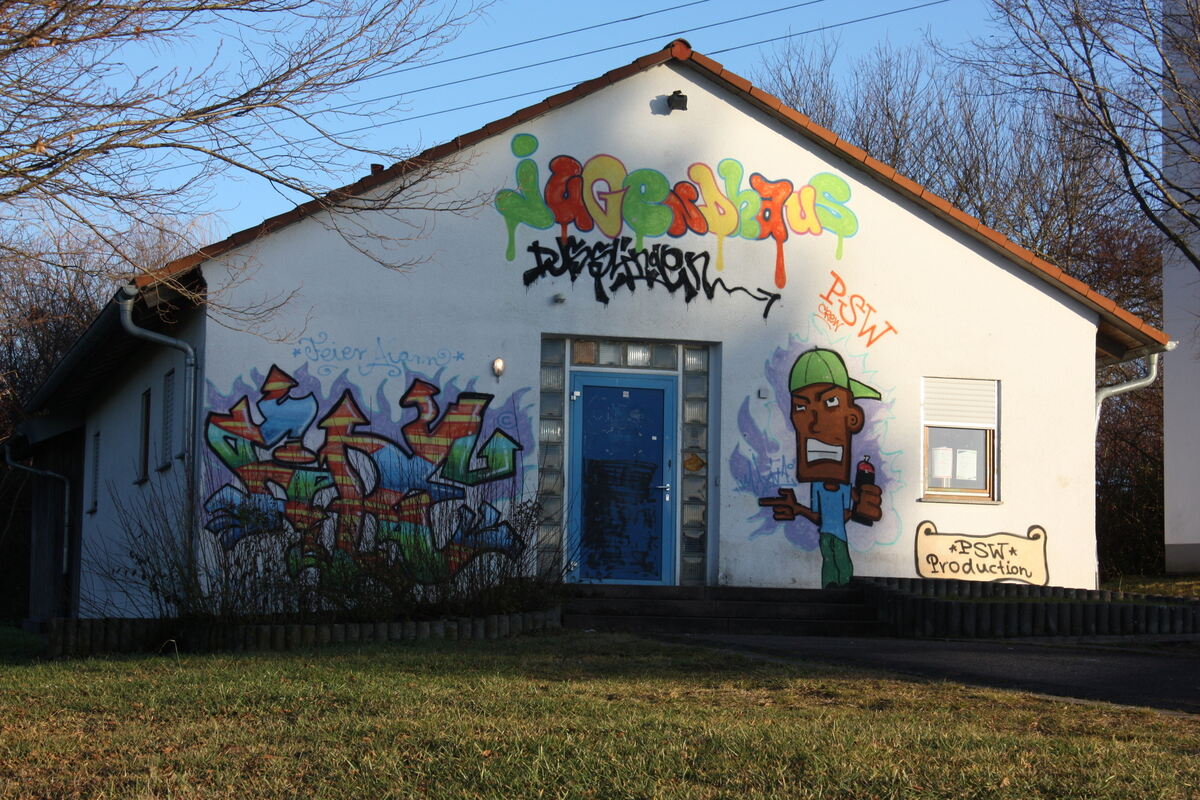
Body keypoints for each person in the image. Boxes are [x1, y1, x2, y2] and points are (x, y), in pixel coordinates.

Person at [758, 348, 883, 587]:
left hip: (838, 535)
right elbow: (819, 515)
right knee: (829, 561)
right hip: (827, 535)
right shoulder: (817, 487)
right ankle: (831, 591)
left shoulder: (844, 488)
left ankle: (843, 591)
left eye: (830, 402)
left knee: (842, 562)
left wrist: (861, 506)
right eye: (801, 408)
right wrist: (797, 508)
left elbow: (846, 510)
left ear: (853, 417)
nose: (814, 424)